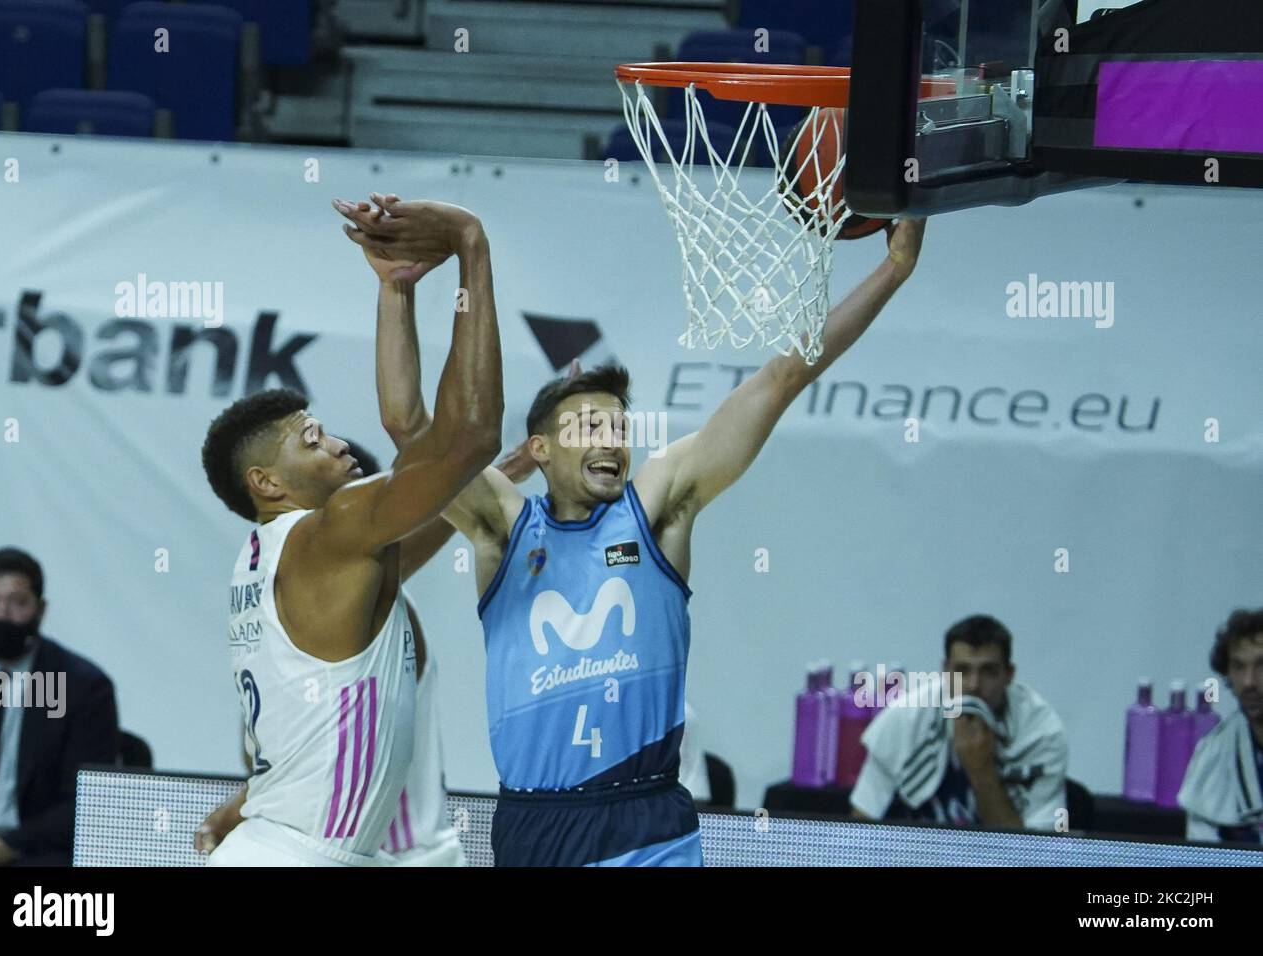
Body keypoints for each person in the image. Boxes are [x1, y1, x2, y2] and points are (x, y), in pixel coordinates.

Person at [341, 195, 925, 866]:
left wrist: (894, 270)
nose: (611, 442)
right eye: (589, 427)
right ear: (539, 450)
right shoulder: (501, 528)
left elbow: (782, 376)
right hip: (535, 823)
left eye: (620, 428)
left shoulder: (657, 508)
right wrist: (395, 294)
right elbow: (409, 426)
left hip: (645, 819)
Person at [197, 199, 503, 866]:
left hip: (283, 847)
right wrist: (471, 248)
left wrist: (395, 290)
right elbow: (467, 439)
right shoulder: (327, 534)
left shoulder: (271, 557)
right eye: (312, 440)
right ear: (267, 483)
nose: (336, 444)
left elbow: (416, 441)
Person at [0, 548, 118, 866]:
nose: (2, 614)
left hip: (42, 852)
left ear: (40, 608)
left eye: (17, 602)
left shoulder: (84, 686)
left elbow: (85, 801)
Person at [850, 615, 1068, 831]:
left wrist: (981, 769)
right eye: (962, 671)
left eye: (988, 672)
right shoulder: (905, 719)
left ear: (1009, 674)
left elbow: (1034, 854)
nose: (974, 685)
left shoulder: (1041, 733)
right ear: (945, 671)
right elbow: (861, 828)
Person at [1179, 608, 1263, 844]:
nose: (1249, 682)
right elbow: (1202, 852)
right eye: (1238, 667)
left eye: (1261, 666)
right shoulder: (1213, 754)